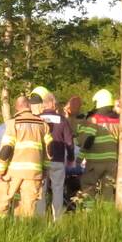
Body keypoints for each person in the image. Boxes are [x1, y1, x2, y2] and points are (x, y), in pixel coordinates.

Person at [0, 95, 52, 218]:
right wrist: (45, 169)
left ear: (16, 107)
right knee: (28, 207)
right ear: (29, 106)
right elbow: (50, 150)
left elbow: (6, 149)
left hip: (13, 172)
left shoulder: (13, 123)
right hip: (34, 173)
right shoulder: (43, 124)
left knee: (1, 202)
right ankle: (25, 231)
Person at [38, 91, 75, 220]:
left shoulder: (38, 119)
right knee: (58, 190)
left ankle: (40, 219)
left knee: (40, 191)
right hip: (58, 160)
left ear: (44, 105)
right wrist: (70, 158)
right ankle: (57, 219)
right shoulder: (62, 120)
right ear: (53, 104)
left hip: (41, 161)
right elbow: (69, 142)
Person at [77, 89, 120, 200]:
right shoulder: (118, 120)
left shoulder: (94, 119)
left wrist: (79, 159)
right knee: (108, 190)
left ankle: (89, 212)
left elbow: (88, 141)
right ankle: (107, 213)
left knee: (87, 186)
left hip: (95, 161)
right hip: (112, 162)